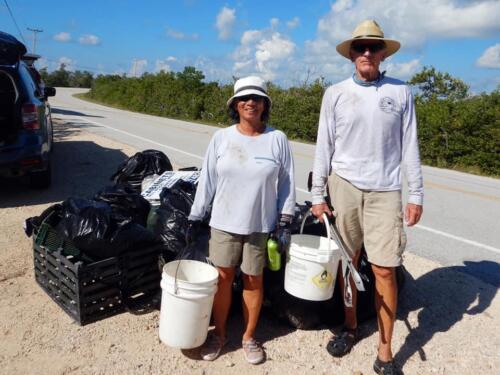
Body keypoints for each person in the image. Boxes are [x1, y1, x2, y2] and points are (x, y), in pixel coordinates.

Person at [311, 20, 423, 375]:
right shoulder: (336, 93)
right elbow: (323, 145)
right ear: (352, 55)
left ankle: (386, 351)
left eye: (373, 47)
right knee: (348, 264)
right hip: (343, 185)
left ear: (383, 53)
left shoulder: (401, 92)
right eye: (360, 47)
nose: (366, 53)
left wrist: (415, 193)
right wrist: (317, 194)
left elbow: (410, 147)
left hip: (386, 190)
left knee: (384, 270)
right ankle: (350, 326)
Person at [187, 76, 296, 365]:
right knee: (222, 279)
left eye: (257, 98)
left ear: (265, 105)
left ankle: (248, 337)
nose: (250, 102)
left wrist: (285, 219)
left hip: (260, 224)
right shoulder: (221, 138)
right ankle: (219, 334)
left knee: (253, 279)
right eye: (244, 98)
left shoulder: (277, 139)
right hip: (223, 222)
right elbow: (207, 179)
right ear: (235, 105)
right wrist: (196, 215)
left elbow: (286, 183)